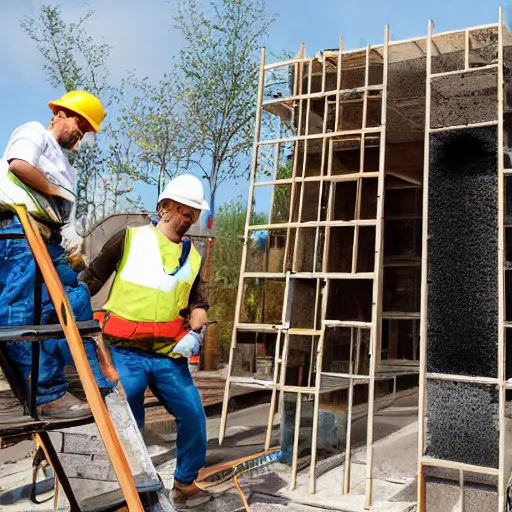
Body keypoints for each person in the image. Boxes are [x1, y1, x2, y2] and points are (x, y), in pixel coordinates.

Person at [80, 174, 211, 509]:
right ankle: (130, 492)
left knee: (193, 414)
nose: (187, 218)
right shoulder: (128, 239)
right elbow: (90, 280)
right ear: (164, 206)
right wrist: (66, 309)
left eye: (192, 213)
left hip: (169, 355)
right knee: (129, 421)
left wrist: (197, 332)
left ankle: (185, 482)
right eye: (182, 209)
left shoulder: (193, 257)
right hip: (124, 353)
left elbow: (198, 303)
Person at [0, 90, 114, 422]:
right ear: (60, 114)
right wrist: (51, 188)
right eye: (80, 123)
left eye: (87, 130)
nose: (81, 132)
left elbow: (61, 213)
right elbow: (19, 165)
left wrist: (69, 242)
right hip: (20, 234)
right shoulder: (34, 132)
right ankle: (46, 394)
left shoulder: (66, 165)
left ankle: (94, 377)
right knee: (22, 316)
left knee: (75, 300)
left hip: (46, 240)